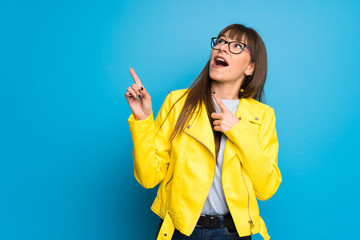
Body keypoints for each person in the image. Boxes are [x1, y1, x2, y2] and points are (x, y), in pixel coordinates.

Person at [125, 24, 282, 240]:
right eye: (220, 41)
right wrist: (142, 120)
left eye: (237, 46)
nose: (223, 48)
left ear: (251, 68)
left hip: (231, 232)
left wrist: (239, 131)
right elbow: (148, 177)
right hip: (180, 231)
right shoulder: (177, 102)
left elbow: (266, 189)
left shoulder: (263, 116)